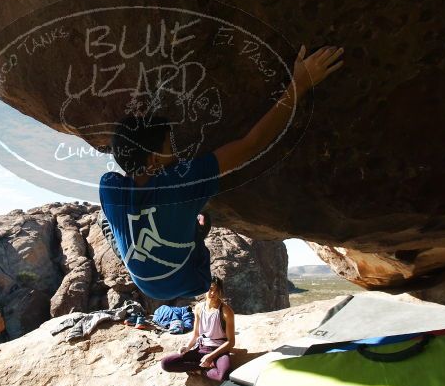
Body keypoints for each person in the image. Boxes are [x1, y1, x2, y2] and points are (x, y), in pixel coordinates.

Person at [99, 45, 344, 300]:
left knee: (104, 219)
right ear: (152, 159)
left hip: (146, 284)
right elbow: (252, 143)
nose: (179, 154)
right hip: (192, 280)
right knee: (185, 223)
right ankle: (192, 234)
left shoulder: (109, 185)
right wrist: (300, 84)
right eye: (171, 148)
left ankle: (183, 231)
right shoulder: (183, 183)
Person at [160, 277, 235, 382]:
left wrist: (211, 356)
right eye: (210, 289)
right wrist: (187, 347)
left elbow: (231, 342)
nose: (213, 293)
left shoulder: (226, 311)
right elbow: (196, 334)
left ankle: (201, 370)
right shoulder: (199, 308)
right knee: (166, 364)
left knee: (224, 375)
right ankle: (203, 366)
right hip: (201, 348)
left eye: (216, 290)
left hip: (219, 350)